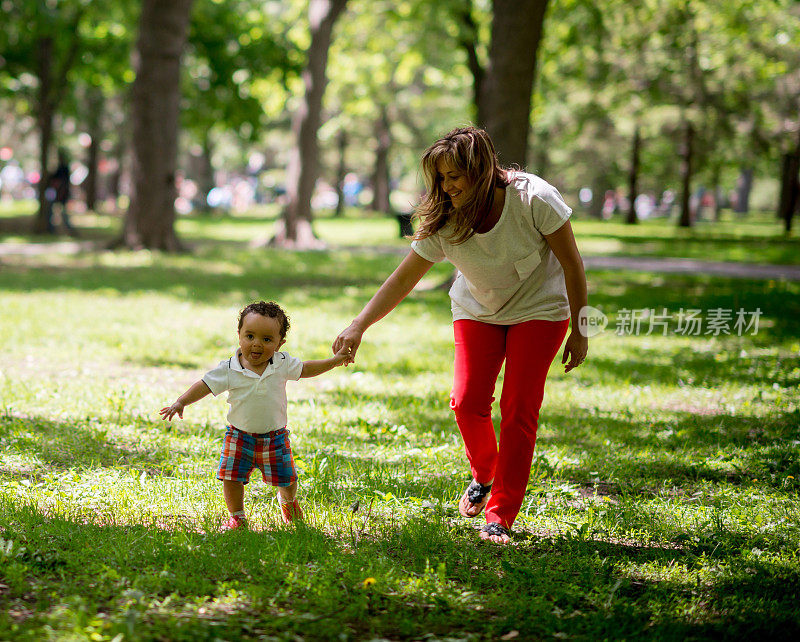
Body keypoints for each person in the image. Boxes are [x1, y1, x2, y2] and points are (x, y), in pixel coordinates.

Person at [333, 126, 589, 545]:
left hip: (539, 309)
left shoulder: (534, 199)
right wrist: (358, 325)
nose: (446, 186)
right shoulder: (444, 219)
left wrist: (581, 329)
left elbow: (573, 265)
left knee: (519, 407)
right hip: (477, 310)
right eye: (440, 178)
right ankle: (484, 473)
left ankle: (500, 515)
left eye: (455, 176)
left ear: (482, 170)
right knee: (467, 401)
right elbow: (402, 280)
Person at [160, 300, 351, 531]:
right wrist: (181, 401)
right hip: (239, 437)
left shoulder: (282, 364)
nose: (256, 344)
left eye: (267, 339)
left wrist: (334, 361)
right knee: (231, 478)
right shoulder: (229, 369)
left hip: (275, 437)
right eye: (250, 336)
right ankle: (237, 516)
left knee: (288, 479)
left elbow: (307, 369)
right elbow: (205, 385)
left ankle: (288, 502)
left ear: (280, 344)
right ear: (239, 335)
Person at [45, 149, 75, 235]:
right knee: (51, 211)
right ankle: (51, 229)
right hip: (56, 193)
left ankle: (68, 230)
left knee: (64, 213)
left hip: (62, 193)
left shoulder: (64, 169)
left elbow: (62, 182)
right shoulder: (59, 168)